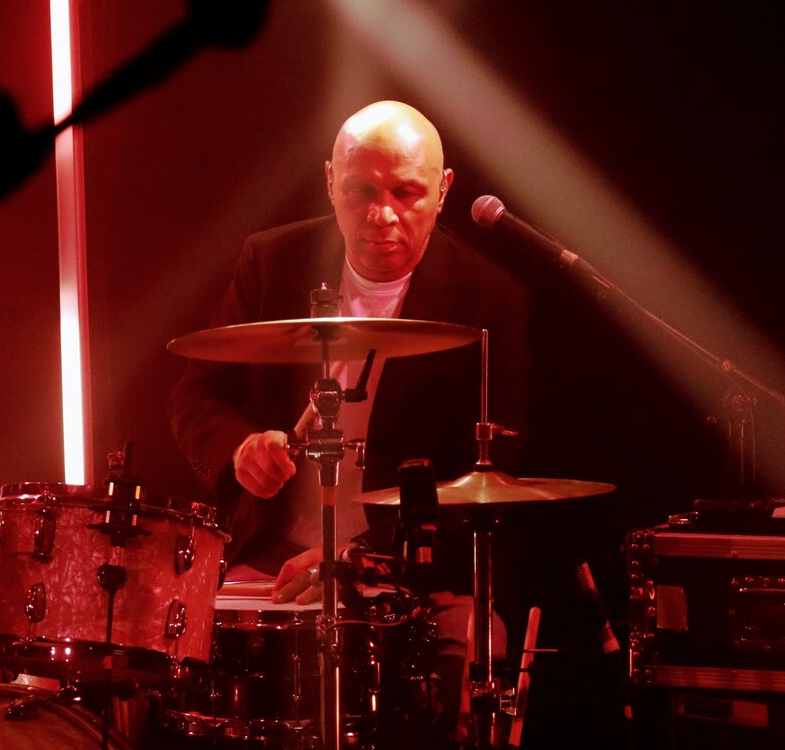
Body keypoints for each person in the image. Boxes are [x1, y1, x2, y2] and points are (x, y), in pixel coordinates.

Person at [168, 101, 529, 737]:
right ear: (329, 179)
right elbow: (197, 395)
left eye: (406, 192)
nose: (380, 215)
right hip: (275, 557)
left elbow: (489, 480)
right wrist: (238, 449)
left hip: (414, 572)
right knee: (179, 656)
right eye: (360, 191)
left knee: (466, 665)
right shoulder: (272, 262)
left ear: (443, 192)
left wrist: (354, 561)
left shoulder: (488, 300)